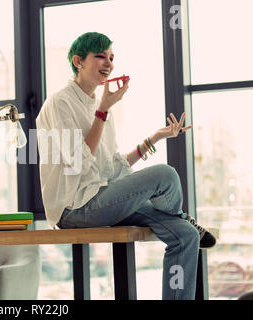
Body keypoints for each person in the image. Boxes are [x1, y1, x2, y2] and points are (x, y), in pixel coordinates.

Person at [35, 32, 216, 300]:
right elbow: (78, 162)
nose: (108, 63)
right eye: (100, 56)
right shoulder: (60, 103)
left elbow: (113, 169)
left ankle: (180, 220)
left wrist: (155, 138)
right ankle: (179, 213)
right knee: (165, 174)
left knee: (186, 235)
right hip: (74, 208)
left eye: (111, 57)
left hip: (101, 198)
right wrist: (103, 111)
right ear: (78, 61)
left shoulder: (98, 105)